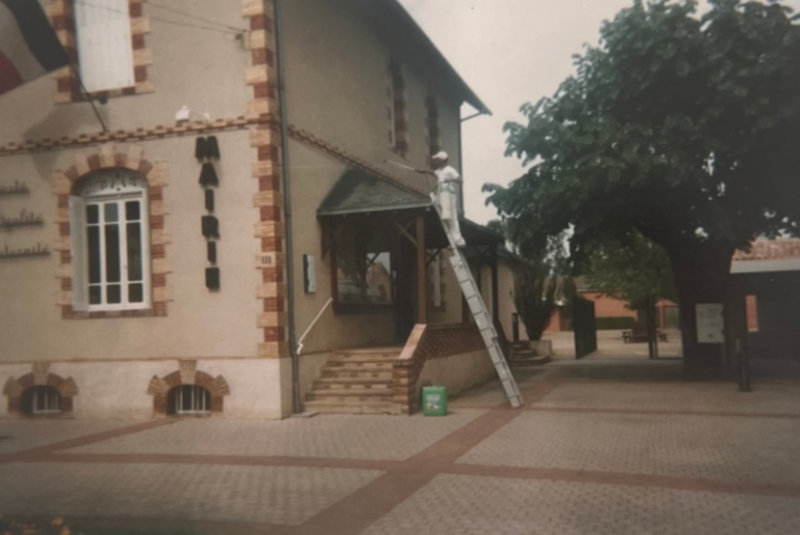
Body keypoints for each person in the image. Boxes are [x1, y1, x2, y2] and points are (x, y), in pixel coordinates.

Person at [418, 151, 466, 247]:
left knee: (452, 218)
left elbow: (460, 180)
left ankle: (459, 241)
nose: (436, 161)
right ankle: (453, 240)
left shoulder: (450, 170)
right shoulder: (440, 170)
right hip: (442, 192)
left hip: (449, 192)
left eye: (438, 159)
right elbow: (435, 173)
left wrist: (450, 180)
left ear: (443, 160)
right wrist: (425, 171)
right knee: (445, 216)